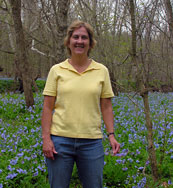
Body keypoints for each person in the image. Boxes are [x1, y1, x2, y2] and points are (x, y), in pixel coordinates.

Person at [41, 20, 120, 188]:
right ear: (68, 41)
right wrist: (46, 138)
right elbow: (47, 107)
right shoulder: (56, 70)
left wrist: (111, 135)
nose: (79, 41)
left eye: (84, 38)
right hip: (60, 141)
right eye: (75, 37)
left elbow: (106, 107)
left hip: (92, 142)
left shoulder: (101, 71)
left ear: (90, 43)